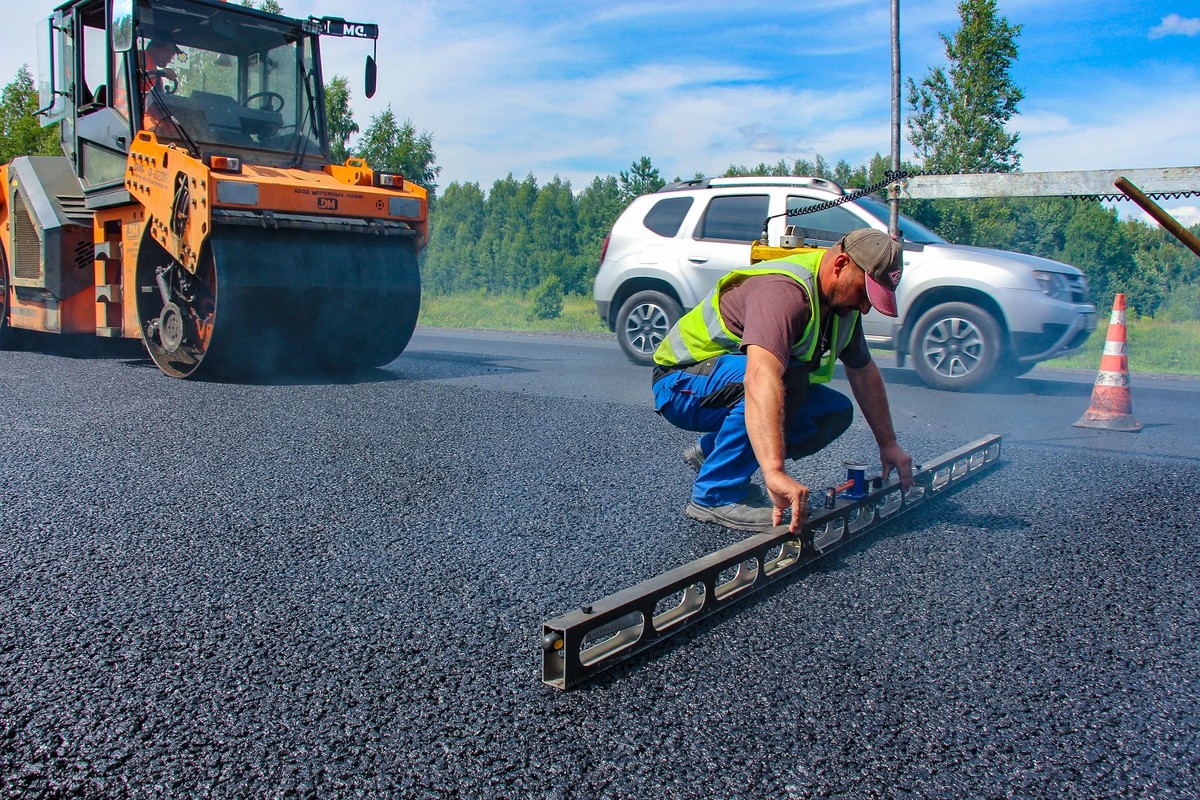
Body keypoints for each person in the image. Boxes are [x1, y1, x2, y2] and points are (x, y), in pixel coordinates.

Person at [652, 228, 915, 533]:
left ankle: (713, 452)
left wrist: (889, 443)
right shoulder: (784, 292)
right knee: (785, 379)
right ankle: (714, 495)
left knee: (832, 411)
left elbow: (863, 372)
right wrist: (774, 471)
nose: (866, 307)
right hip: (682, 383)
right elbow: (761, 377)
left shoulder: (841, 302)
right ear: (841, 264)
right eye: (863, 293)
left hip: (727, 382)